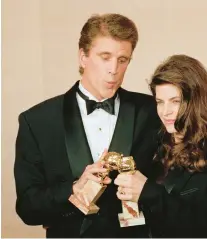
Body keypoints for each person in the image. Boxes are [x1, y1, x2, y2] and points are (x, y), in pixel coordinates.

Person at [14, 13, 160, 238]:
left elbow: (177, 184)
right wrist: (73, 189)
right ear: (83, 57)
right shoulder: (37, 121)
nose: (114, 69)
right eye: (105, 57)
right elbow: (27, 208)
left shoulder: (152, 111)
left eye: (123, 60)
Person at [114, 54, 207, 238]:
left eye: (175, 101)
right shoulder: (153, 150)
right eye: (160, 102)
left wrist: (147, 192)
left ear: (196, 101)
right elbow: (134, 223)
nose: (165, 111)